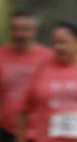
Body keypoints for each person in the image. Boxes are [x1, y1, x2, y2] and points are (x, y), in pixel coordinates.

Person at [0, 11, 53, 142]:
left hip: (42, 133)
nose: (20, 34)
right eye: (15, 29)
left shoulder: (49, 58)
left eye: (24, 29)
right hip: (6, 132)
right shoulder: (1, 55)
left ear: (34, 30)